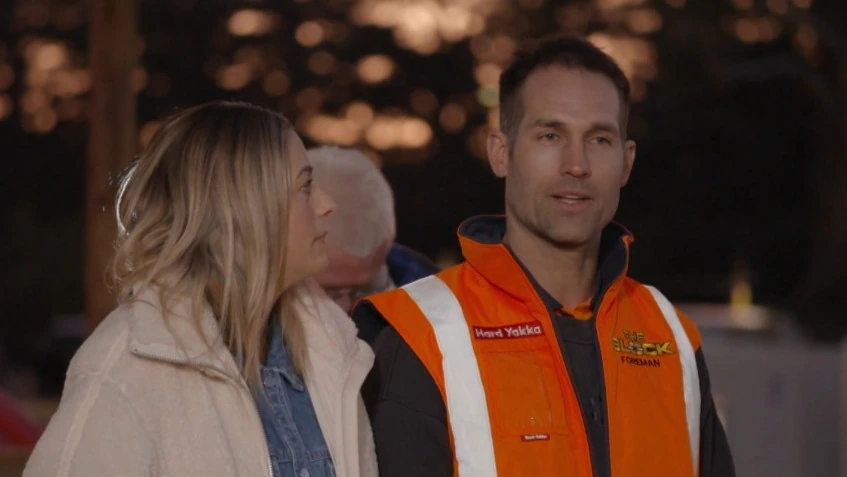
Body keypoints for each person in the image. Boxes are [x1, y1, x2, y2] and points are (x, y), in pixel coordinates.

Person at [353, 36, 735, 477]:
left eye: (599, 139)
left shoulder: (671, 337)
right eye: (550, 136)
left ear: (626, 162)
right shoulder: (420, 334)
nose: (577, 164)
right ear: (501, 153)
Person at [24, 101, 377, 477]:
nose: (328, 205)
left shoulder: (332, 353)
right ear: (243, 206)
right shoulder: (124, 372)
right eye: (305, 186)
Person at [308, 146, 438, 336]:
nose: (347, 314)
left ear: (385, 248)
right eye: (328, 294)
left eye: (363, 291)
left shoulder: (441, 314)